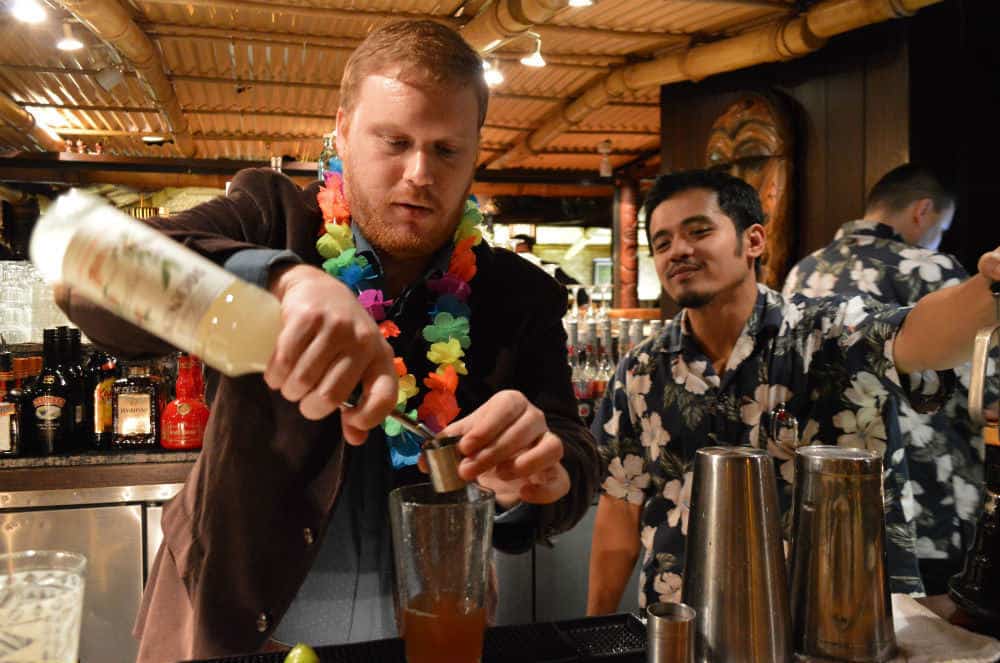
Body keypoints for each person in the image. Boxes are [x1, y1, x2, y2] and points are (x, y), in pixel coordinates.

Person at [58, 20, 598, 662]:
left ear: (476, 150)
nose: (419, 173)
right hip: (239, 619)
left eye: (447, 150)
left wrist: (548, 473)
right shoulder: (269, 217)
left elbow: (574, 454)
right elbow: (88, 268)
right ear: (342, 130)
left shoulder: (519, 294)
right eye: (394, 141)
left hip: (434, 625)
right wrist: (278, 282)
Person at [586, 168, 1000, 615]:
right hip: (678, 620)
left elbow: (917, 334)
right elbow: (620, 504)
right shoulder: (642, 368)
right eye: (662, 243)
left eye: (698, 231)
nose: (678, 251)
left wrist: (989, 289)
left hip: (820, 620)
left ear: (754, 242)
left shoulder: (825, 333)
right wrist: (596, 625)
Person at [782, 164, 983, 594]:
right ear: (922, 211)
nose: (938, 236)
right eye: (940, 227)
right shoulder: (930, 268)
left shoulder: (802, 271)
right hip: (919, 487)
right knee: (930, 630)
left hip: (823, 481)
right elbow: (987, 379)